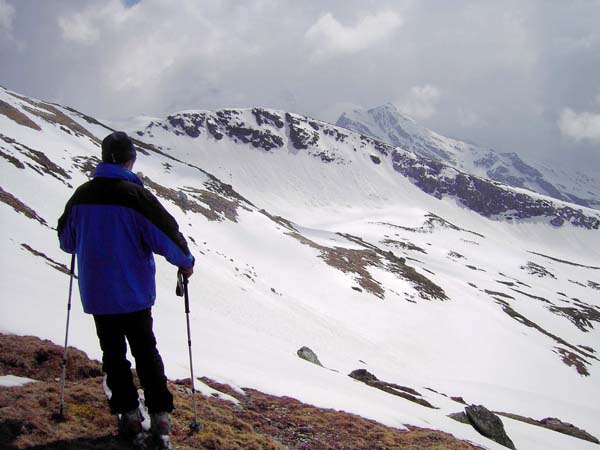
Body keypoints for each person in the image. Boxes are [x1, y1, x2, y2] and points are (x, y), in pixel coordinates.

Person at [57, 131, 194, 450]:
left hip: (98, 294)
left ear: (104, 158)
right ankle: (160, 416)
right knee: (146, 351)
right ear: (130, 159)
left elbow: (66, 241)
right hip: (133, 293)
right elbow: (167, 236)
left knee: (113, 356)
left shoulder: (81, 196)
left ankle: (129, 415)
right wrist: (186, 262)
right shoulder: (136, 197)